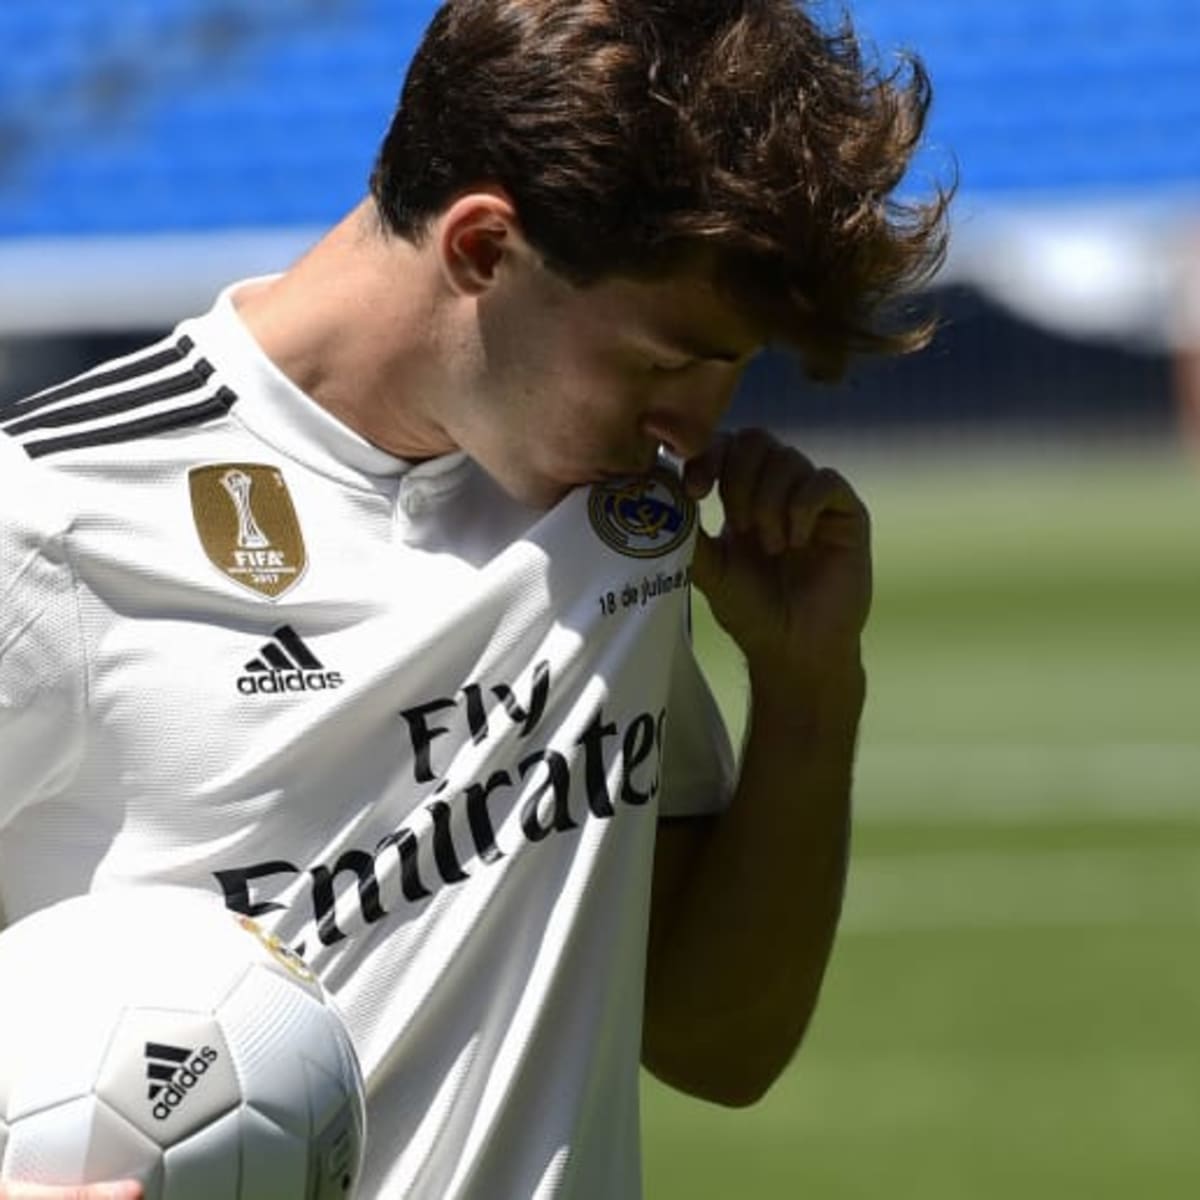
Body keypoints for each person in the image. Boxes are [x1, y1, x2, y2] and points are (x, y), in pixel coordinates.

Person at [0, 0, 948, 1196]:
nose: (695, 430)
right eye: (664, 360)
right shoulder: (50, 519)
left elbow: (719, 1046)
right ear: (485, 250)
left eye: (731, 369)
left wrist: (811, 689)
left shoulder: (616, 523)